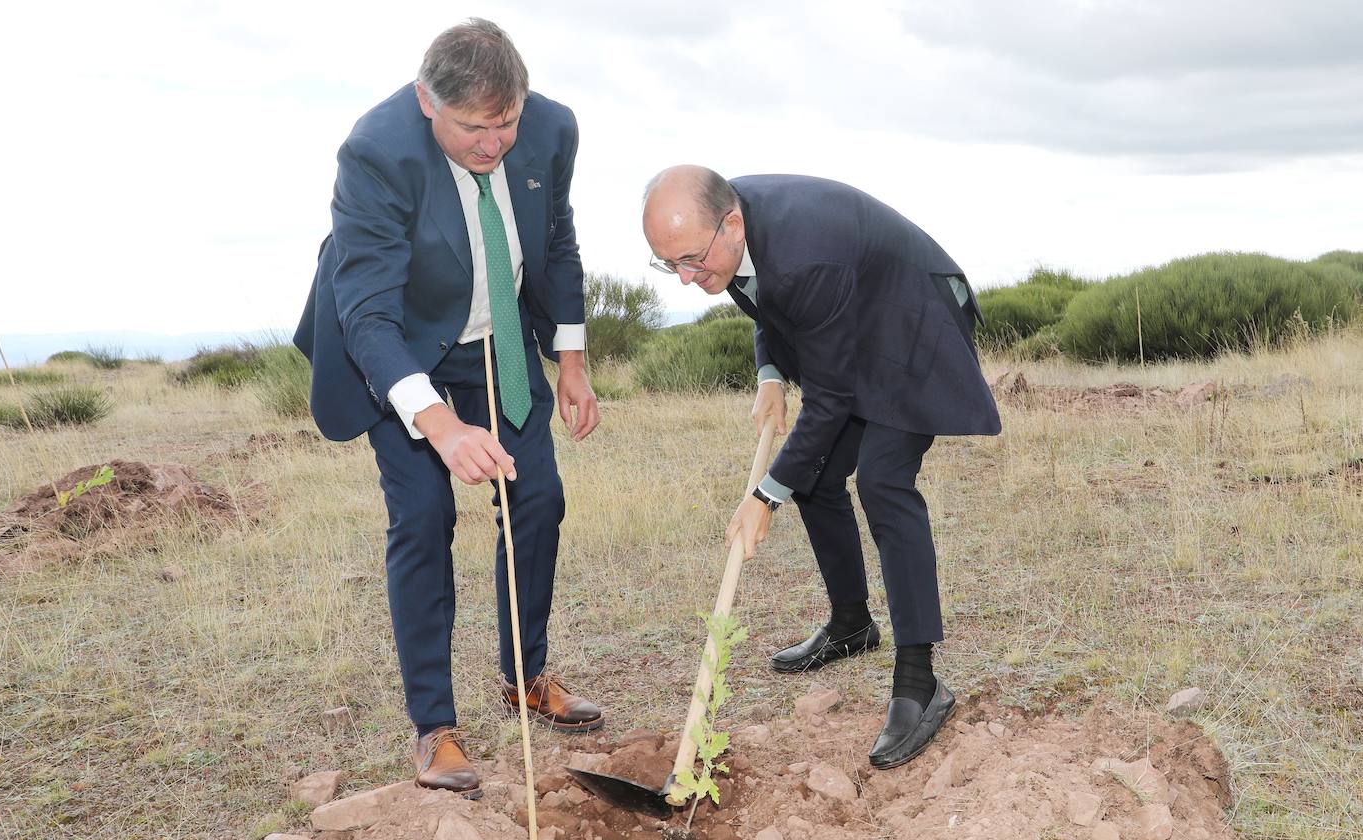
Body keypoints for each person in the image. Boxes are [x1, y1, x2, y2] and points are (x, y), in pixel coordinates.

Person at [295, 19, 604, 798]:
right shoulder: (377, 152)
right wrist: (440, 425)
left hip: (497, 343)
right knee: (425, 516)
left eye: (505, 122)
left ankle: (526, 677)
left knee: (539, 499)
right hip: (401, 355)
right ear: (427, 100)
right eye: (473, 127)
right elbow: (365, 313)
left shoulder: (551, 129)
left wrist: (569, 359)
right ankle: (434, 727)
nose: (493, 143)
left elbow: (557, 240)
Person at [642, 166, 1000, 769]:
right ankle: (852, 625)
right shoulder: (726, 227)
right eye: (668, 263)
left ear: (731, 224)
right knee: (817, 475)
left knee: (884, 480)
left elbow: (830, 399)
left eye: (691, 261)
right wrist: (771, 373)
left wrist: (765, 494)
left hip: (914, 322)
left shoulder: (803, 253)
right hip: (857, 324)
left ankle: (920, 682)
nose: (683, 277)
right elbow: (765, 298)